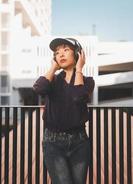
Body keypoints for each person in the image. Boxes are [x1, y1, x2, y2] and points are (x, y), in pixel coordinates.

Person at [33, 38, 95, 184]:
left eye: (66, 50)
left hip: (79, 142)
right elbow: (39, 88)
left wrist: (79, 69)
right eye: (57, 52)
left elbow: (78, 97)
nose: (60, 54)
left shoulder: (88, 81)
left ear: (78, 55)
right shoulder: (52, 80)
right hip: (53, 143)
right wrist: (53, 69)